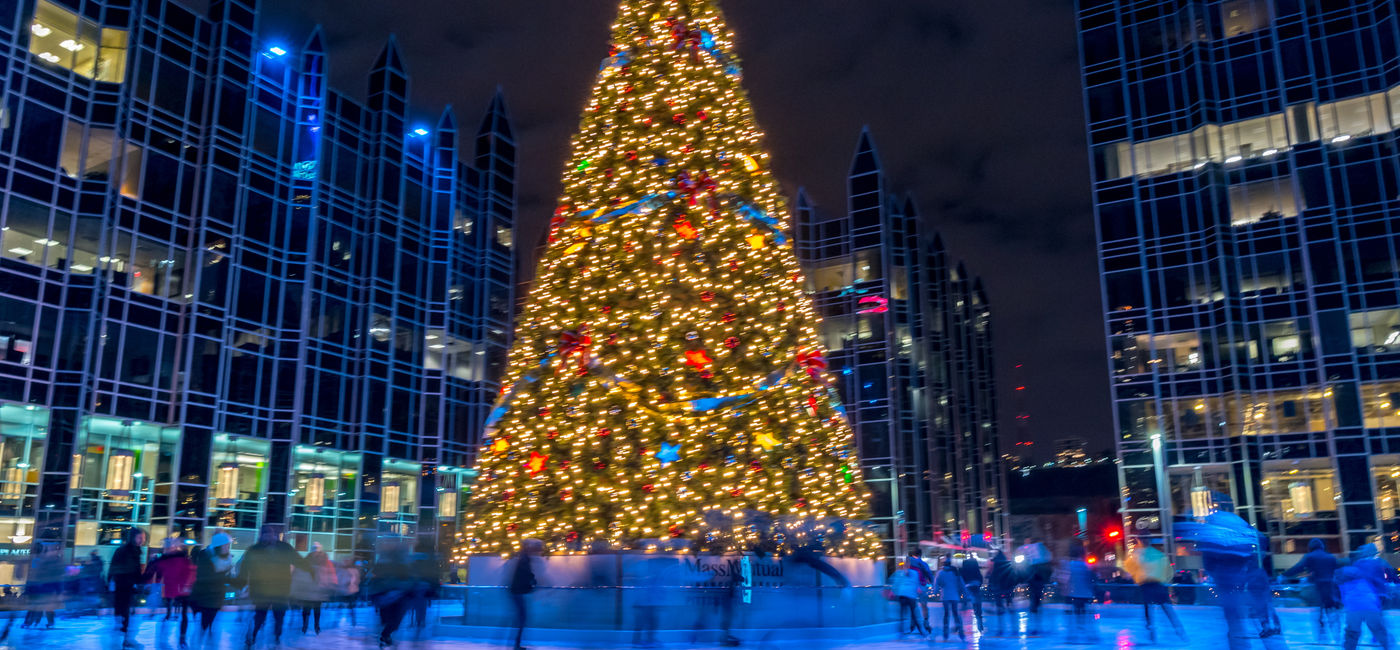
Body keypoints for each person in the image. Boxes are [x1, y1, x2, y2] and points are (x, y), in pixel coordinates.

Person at [240, 524, 309, 648]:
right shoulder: (255, 550)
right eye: (266, 534)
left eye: (270, 534)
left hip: (278, 590)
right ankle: (256, 635)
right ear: (262, 536)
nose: (269, 537)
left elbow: (298, 561)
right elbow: (245, 568)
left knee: (277, 615)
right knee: (263, 614)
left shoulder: (283, 548)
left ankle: (274, 636)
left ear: (274, 535)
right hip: (264, 590)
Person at [1125, 540, 1186, 643]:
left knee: (1149, 609)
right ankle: (1179, 632)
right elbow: (1169, 572)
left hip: (1147, 586)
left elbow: (1129, 568)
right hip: (1158, 585)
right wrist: (1163, 580)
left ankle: (1152, 633)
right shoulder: (1158, 554)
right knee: (1166, 608)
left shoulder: (1138, 555)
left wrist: (1136, 578)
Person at [1283, 537, 1340, 642]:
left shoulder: (1310, 557)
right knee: (1331, 614)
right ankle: (1336, 638)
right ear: (1321, 546)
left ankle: (1320, 638)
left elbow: (1298, 567)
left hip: (1317, 589)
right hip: (1330, 589)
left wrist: (1284, 575)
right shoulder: (1330, 557)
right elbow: (1337, 573)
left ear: (1311, 547)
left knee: (1317, 614)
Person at [188, 531, 237, 648]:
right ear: (218, 545)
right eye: (225, 545)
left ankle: (204, 642)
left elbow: (227, 577)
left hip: (216, 598)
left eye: (228, 545)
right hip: (203, 597)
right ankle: (197, 644)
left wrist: (240, 583)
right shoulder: (205, 556)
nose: (227, 548)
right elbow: (205, 577)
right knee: (203, 626)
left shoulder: (227, 559)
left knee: (210, 626)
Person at [1338, 542, 1391, 650]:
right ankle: (1380, 639)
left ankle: (1353, 643)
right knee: (1376, 617)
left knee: (1355, 625)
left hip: (1362, 594)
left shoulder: (1357, 564)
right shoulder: (1381, 562)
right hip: (1376, 594)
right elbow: (1392, 575)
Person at [144, 537, 196, 646]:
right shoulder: (167, 559)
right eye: (167, 547)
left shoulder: (179, 558)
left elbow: (188, 572)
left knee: (182, 614)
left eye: (170, 546)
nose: (168, 548)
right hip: (175, 590)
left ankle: (180, 637)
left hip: (181, 590)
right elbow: (154, 570)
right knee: (177, 612)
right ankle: (175, 636)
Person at [369, 540, 415, 648]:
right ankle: (386, 634)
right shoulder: (399, 560)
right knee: (394, 618)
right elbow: (408, 575)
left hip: (390, 592)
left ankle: (386, 634)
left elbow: (376, 574)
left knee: (390, 618)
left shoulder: (385, 559)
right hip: (393, 592)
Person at [110, 527, 148, 648]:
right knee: (125, 610)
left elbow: (134, 569)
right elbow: (122, 568)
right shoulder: (127, 551)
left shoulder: (135, 550)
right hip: (124, 584)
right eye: (140, 537)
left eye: (143, 538)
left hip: (127, 584)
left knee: (126, 611)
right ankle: (124, 637)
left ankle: (123, 636)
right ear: (133, 537)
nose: (142, 540)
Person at [291, 542, 335, 635]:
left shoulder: (321, 560)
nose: (315, 551)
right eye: (314, 548)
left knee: (315, 609)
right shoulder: (312, 559)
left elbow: (329, 573)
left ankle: (314, 625)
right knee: (309, 608)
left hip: (317, 588)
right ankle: (308, 625)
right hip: (310, 588)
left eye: (316, 548)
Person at [508, 538, 543, 650]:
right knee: (521, 619)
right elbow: (525, 574)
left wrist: (531, 581)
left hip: (517, 591)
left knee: (520, 618)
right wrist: (531, 583)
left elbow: (525, 574)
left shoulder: (523, 557)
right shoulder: (524, 558)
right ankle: (516, 645)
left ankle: (516, 644)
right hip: (517, 592)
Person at [21, 541, 63, 629]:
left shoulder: (43, 561)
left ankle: (33, 622)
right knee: (41, 606)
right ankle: (36, 622)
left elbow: (34, 576)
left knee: (40, 606)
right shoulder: (40, 561)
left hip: (43, 589)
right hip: (42, 589)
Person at [1060, 545, 1097, 642]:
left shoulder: (1069, 566)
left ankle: (1072, 636)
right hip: (1086, 595)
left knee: (1074, 615)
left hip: (1074, 594)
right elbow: (1091, 580)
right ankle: (1090, 635)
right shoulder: (1086, 566)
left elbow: (1064, 580)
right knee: (1085, 614)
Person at [887, 559, 928, 637]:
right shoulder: (915, 573)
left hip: (903, 595)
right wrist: (918, 591)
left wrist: (892, 591)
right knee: (914, 613)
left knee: (902, 613)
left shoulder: (900, 573)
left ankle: (902, 631)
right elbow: (917, 584)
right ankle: (922, 631)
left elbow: (895, 582)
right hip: (911, 596)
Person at [932, 558, 969, 641]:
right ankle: (961, 633)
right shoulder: (956, 573)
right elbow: (962, 585)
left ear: (944, 565)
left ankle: (945, 634)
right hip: (955, 597)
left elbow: (936, 584)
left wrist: (935, 593)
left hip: (945, 597)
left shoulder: (940, 573)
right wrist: (965, 594)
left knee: (946, 614)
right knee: (956, 614)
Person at [408, 543, 440, 634]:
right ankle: (420, 621)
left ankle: (418, 621)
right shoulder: (429, 563)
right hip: (423, 588)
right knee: (422, 606)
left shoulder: (415, 563)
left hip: (417, 588)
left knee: (417, 606)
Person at [906, 547, 935, 631]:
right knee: (924, 605)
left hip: (911, 587)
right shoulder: (923, 564)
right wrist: (932, 583)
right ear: (920, 554)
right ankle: (926, 622)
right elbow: (929, 574)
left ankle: (912, 622)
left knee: (913, 605)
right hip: (921, 586)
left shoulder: (908, 563)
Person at [959, 553, 986, 633]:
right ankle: (979, 624)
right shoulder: (975, 566)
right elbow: (980, 577)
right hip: (975, 586)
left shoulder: (964, 566)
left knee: (964, 606)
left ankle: (960, 625)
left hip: (967, 587)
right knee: (977, 605)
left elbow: (962, 578)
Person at [334, 557, 361, 625]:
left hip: (349, 590)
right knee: (348, 606)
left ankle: (352, 620)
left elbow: (356, 580)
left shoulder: (352, 570)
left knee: (349, 606)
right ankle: (352, 620)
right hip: (346, 590)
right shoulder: (342, 570)